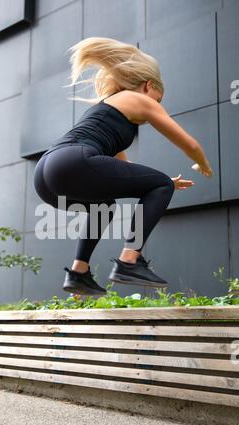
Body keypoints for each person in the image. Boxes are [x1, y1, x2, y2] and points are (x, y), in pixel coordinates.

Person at [34, 37, 213, 296]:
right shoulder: (136, 98)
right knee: (159, 183)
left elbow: (120, 170)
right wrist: (203, 164)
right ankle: (130, 261)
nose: (157, 106)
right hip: (73, 161)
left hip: (46, 173)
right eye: (158, 99)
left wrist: (160, 185)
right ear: (149, 86)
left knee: (104, 206)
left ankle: (79, 273)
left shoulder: (109, 109)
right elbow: (189, 144)